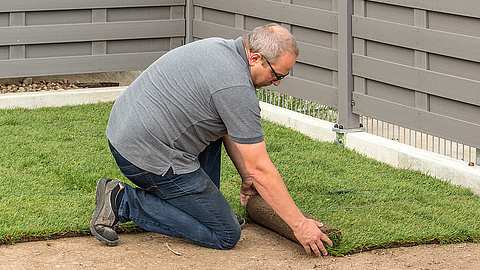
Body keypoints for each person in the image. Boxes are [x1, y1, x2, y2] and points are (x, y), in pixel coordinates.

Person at [90, 23, 333, 256]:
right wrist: (300, 224)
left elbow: (228, 130)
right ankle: (122, 200)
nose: (277, 82)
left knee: (215, 140)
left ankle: (202, 209)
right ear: (256, 57)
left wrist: (246, 176)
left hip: (127, 130)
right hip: (146, 155)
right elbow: (261, 168)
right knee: (225, 232)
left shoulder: (221, 49)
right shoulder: (235, 87)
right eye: (277, 74)